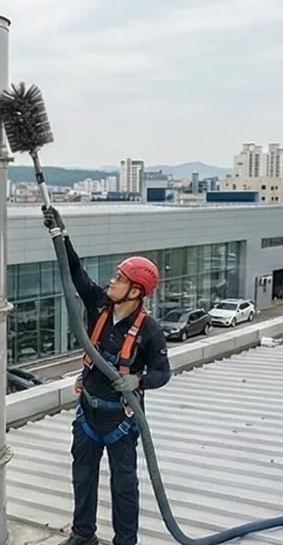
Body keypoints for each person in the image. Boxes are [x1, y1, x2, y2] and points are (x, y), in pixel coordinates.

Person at [43, 206, 172, 545]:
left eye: (120, 279)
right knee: (82, 476)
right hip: (88, 411)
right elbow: (75, 271)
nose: (112, 281)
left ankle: (125, 541)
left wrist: (139, 381)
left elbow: (163, 372)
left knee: (124, 486)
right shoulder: (98, 305)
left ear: (136, 291)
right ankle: (83, 534)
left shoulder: (149, 330)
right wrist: (61, 234)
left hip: (121, 421)